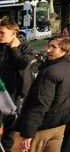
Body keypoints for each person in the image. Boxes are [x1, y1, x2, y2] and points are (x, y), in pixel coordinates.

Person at [16, 36, 70, 152]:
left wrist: (28, 133)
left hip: (44, 128)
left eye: (53, 47)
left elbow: (40, 104)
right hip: (60, 127)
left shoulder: (50, 72)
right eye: (49, 46)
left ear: (64, 50)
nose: (48, 50)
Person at [0, 21, 35, 151]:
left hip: (15, 93)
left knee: (10, 125)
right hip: (0, 91)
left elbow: (23, 64)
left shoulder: (25, 47)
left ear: (13, 33)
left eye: (2, 33)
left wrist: (14, 48)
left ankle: (6, 148)